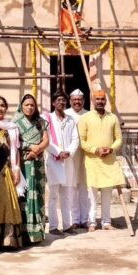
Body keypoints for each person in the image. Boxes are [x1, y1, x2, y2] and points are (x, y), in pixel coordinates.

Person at [77, 90, 125, 231]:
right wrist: (96, 150)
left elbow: (119, 139)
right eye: (97, 99)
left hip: (109, 161)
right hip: (92, 161)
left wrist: (111, 149)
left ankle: (106, 222)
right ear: (93, 101)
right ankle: (91, 222)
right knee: (92, 194)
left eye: (102, 99)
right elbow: (81, 141)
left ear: (105, 101)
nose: (100, 101)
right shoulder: (85, 118)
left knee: (107, 193)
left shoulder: (113, 118)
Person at [0, 96, 23, 250]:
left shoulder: (12, 127)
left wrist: (16, 169)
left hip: (7, 169)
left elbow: (16, 150)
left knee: (9, 204)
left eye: (2, 105)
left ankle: (8, 240)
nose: (0, 108)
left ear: (6, 108)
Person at [15, 94, 50, 244]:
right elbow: (14, 142)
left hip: (37, 161)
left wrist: (36, 150)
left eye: (32, 105)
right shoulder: (15, 123)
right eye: (27, 105)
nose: (29, 107)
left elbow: (46, 140)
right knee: (25, 195)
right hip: (22, 162)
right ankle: (24, 234)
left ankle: (37, 233)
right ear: (21, 106)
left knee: (38, 193)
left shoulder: (41, 121)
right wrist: (30, 147)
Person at [45, 92, 80, 234]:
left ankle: (67, 225)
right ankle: (53, 226)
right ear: (53, 103)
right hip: (54, 161)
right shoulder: (47, 119)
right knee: (53, 195)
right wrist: (59, 152)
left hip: (68, 161)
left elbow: (75, 139)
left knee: (66, 194)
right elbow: (46, 140)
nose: (61, 103)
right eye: (58, 100)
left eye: (64, 101)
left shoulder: (71, 120)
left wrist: (69, 152)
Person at [66, 90, 90, 228]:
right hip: (71, 155)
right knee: (72, 186)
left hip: (86, 154)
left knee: (85, 187)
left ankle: (85, 219)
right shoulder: (66, 114)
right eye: (74, 99)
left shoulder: (89, 115)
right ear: (70, 101)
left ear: (84, 100)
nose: (77, 102)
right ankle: (74, 219)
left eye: (79, 99)